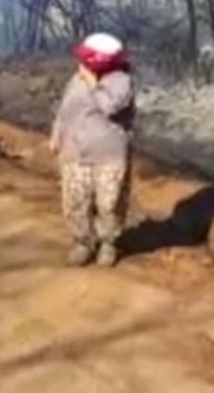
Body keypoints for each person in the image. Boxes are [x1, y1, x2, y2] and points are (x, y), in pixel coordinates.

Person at [49, 32, 134, 268]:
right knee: (76, 200)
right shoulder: (78, 78)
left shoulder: (121, 80)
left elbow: (108, 105)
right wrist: (57, 134)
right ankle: (82, 242)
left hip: (109, 155)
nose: (82, 64)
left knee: (109, 203)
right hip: (75, 151)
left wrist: (92, 82)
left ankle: (108, 243)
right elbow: (66, 109)